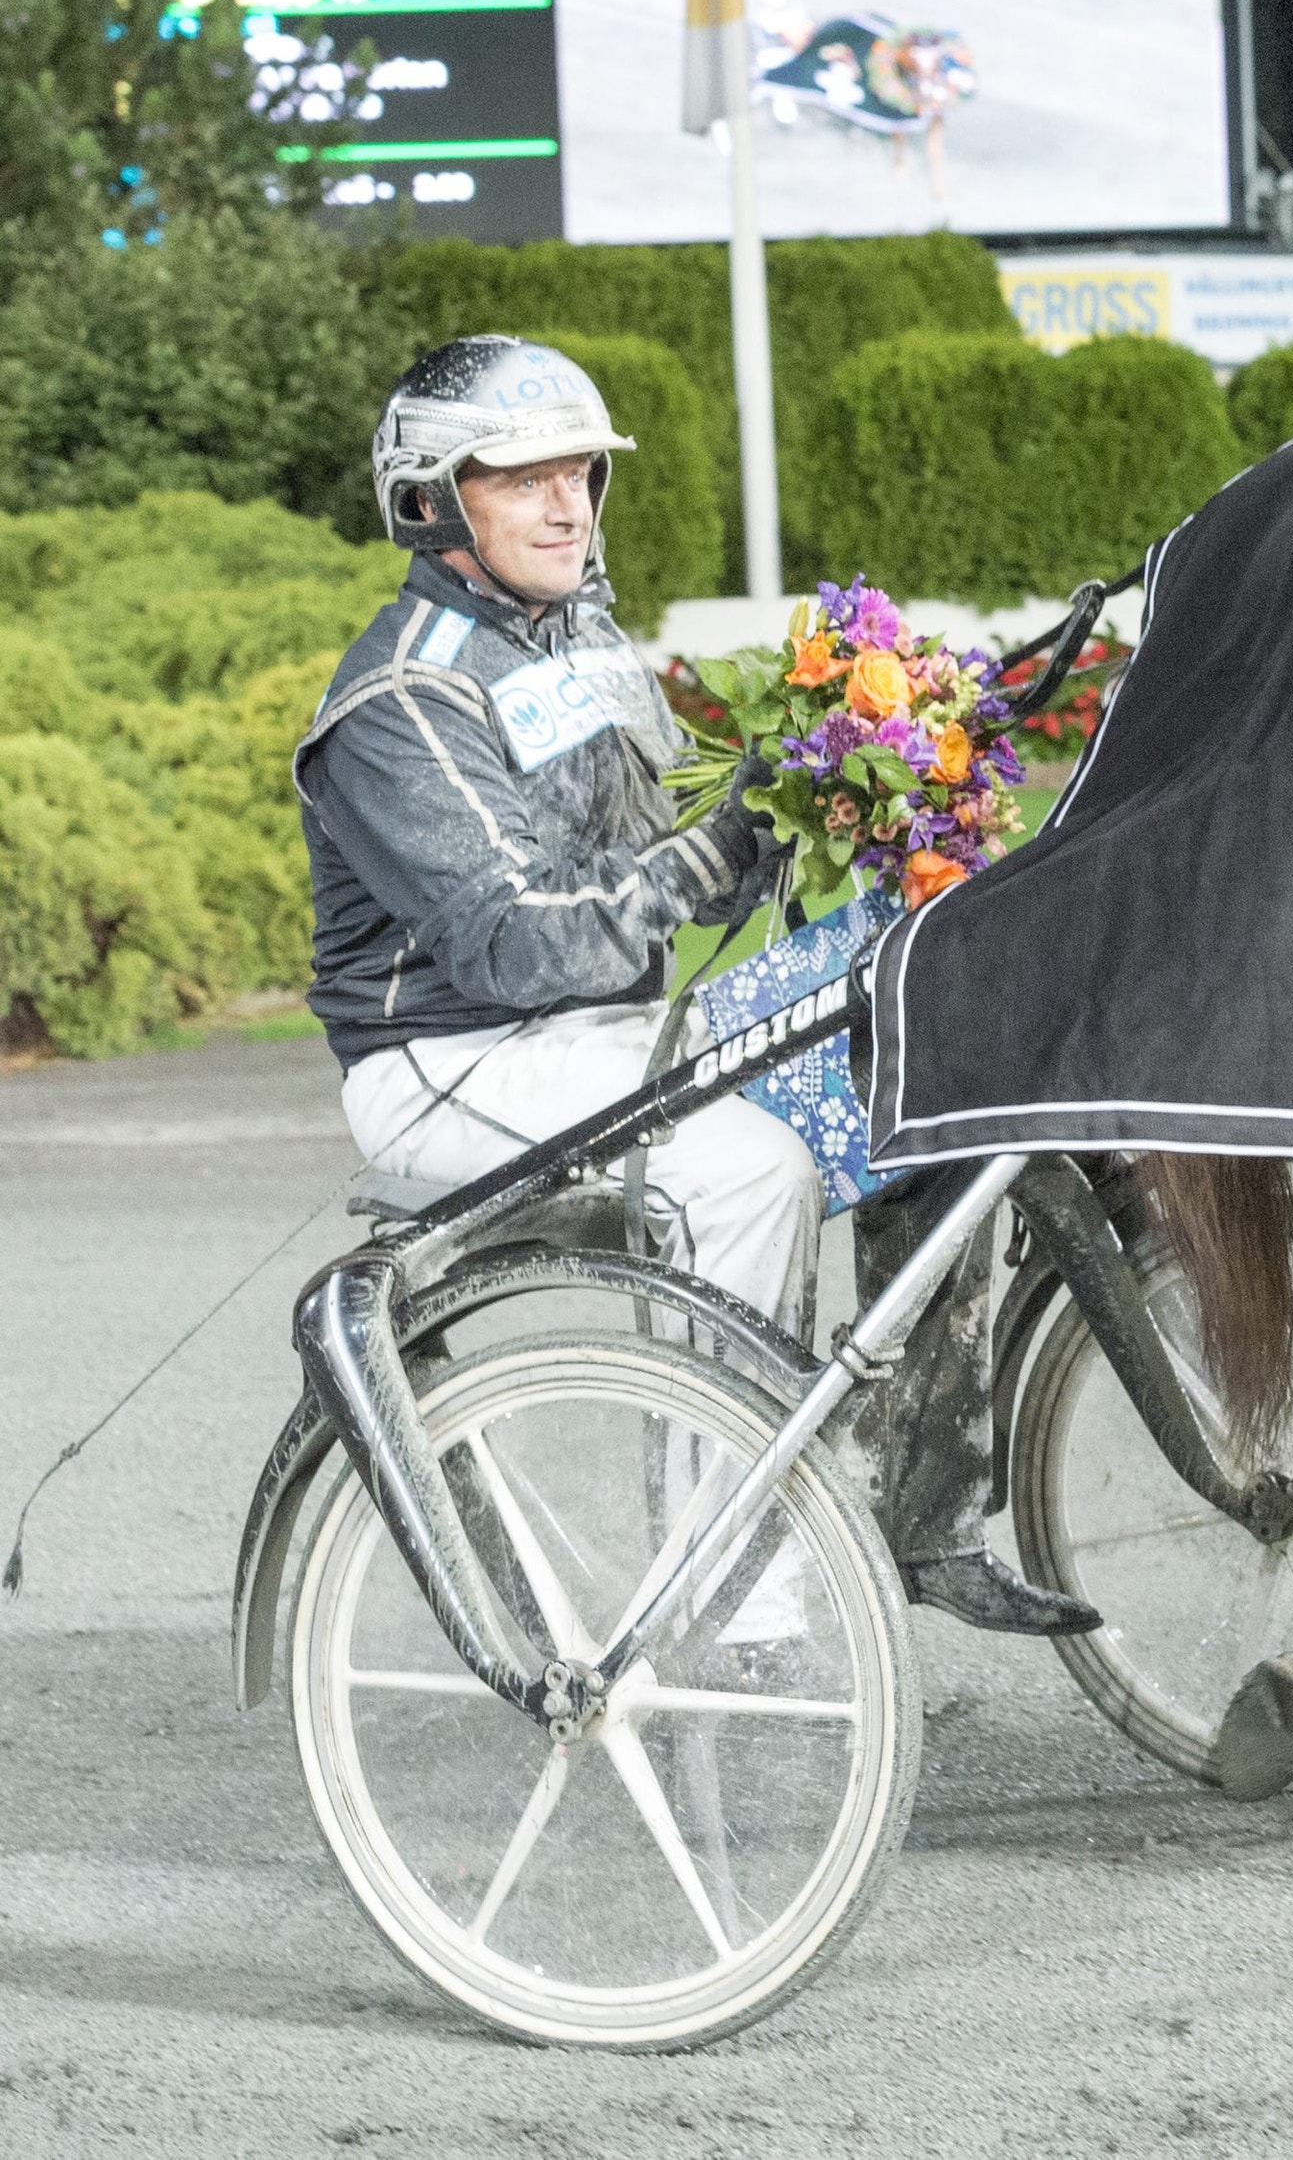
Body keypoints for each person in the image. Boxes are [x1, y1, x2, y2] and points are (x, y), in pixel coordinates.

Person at [295, 335, 1092, 1636]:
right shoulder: (398, 698)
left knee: (926, 1023)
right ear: (434, 499)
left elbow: (680, 865)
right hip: (459, 1061)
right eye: (521, 476)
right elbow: (518, 947)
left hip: (608, 1028)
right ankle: (733, 1589)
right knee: (746, 1167)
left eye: (580, 473)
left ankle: (923, 1496)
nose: (566, 502)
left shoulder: (587, 637)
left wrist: (827, 792)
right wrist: (714, 848)